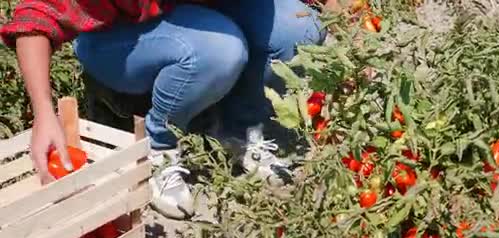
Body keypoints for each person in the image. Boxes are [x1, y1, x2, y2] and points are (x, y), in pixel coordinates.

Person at [0, 0, 327, 220]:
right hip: (111, 37)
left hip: (192, 11)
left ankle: (239, 130)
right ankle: (159, 147)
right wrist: (44, 113)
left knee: (299, 27)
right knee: (220, 51)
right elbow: (37, 14)